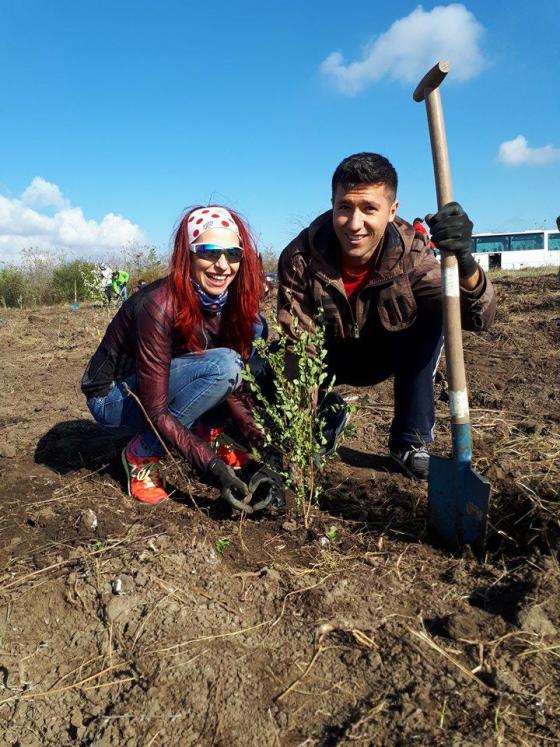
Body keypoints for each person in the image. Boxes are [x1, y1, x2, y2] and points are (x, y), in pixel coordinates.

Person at [277, 152, 497, 480]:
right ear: (332, 203)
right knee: (275, 374)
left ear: (392, 211)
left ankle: (409, 442)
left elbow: (476, 318)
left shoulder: (412, 255)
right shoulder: (300, 258)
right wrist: (299, 441)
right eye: (344, 207)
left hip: (388, 353)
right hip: (328, 357)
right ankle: (324, 418)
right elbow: (300, 349)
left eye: (369, 209)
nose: (354, 224)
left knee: (432, 316)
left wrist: (465, 264)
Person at [82, 206, 281, 509]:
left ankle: (206, 432)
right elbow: (157, 409)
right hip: (116, 399)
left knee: (242, 350)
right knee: (223, 365)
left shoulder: (227, 303)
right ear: (188, 255)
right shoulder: (159, 305)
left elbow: (236, 387)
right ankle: (139, 454)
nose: (222, 265)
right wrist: (213, 468)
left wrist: (265, 449)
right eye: (209, 252)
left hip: (161, 386)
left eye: (233, 254)